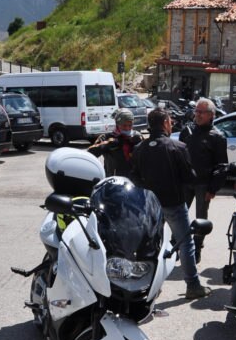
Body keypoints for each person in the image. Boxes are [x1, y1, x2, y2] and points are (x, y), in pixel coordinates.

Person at [132, 109, 209, 300]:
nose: (172, 124)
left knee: (149, 246)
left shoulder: (140, 148)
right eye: (170, 121)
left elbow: (134, 177)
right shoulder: (177, 146)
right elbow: (189, 177)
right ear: (165, 123)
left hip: (149, 205)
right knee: (185, 244)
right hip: (173, 203)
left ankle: (146, 287)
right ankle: (193, 286)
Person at [179, 98, 228, 263]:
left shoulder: (218, 136)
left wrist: (212, 189)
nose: (197, 115)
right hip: (184, 182)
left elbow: (221, 166)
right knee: (179, 216)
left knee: (201, 219)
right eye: (196, 111)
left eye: (201, 112)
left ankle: (197, 248)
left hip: (203, 184)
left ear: (211, 115)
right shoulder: (187, 131)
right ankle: (178, 245)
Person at [87, 109, 141, 178]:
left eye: (130, 125)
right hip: (114, 179)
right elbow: (90, 152)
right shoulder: (106, 137)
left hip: (134, 180)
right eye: (124, 125)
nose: (127, 128)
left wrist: (140, 144)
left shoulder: (137, 136)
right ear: (117, 124)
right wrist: (108, 144)